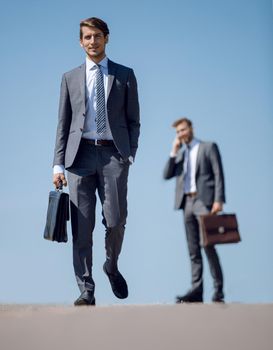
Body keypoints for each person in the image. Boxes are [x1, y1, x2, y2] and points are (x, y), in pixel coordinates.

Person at [52, 17, 140, 306]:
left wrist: (129, 154)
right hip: (79, 158)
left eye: (97, 36)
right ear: (80, 41)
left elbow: (133, 120)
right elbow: (63, 124)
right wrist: (57, 164)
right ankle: (86, 289)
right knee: (82, 227)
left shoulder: (125, 75)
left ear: (107, 38)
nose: (93, 42)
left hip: (114, 156)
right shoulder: (69, 77)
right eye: (87, 37)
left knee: (116, 221)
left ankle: (111, 266)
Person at [163, 118, 225, 303]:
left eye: (182, 130)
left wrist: (218, 199)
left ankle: (218, 291)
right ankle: (196, 291)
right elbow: (167, 174)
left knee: (208, 245)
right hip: (186, 203)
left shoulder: (208, 147)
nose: (180, 134)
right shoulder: (180, 154)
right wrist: (173, 152)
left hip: (204, 202)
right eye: (177, 132)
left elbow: (218, 173)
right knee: (193, 250)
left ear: (191, 128)